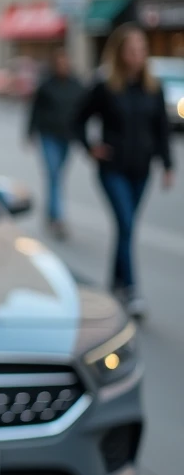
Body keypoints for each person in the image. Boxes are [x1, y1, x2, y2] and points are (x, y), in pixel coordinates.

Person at [72, 24, 174, 317]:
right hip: (112, 167)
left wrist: (168, 165)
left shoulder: (153, 88)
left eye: (142, 49)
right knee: (127, 225)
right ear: (119, 53)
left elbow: (162, 130)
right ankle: (131, 289)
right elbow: (78, 120)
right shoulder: (105, 86)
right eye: (132, 50)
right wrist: (90, 147)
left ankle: (115, 281)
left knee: (125, 228)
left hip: (141, 169)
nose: (138, 55)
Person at [26, 48, 84, 240]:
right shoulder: (47, 85)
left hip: (67, 137)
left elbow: (84, 111)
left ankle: (51, 212)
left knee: (58, 176)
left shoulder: (76, 85)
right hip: (48, 135)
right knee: (53, 175)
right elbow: (35, 109)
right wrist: (30, 131)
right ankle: (58, 218)